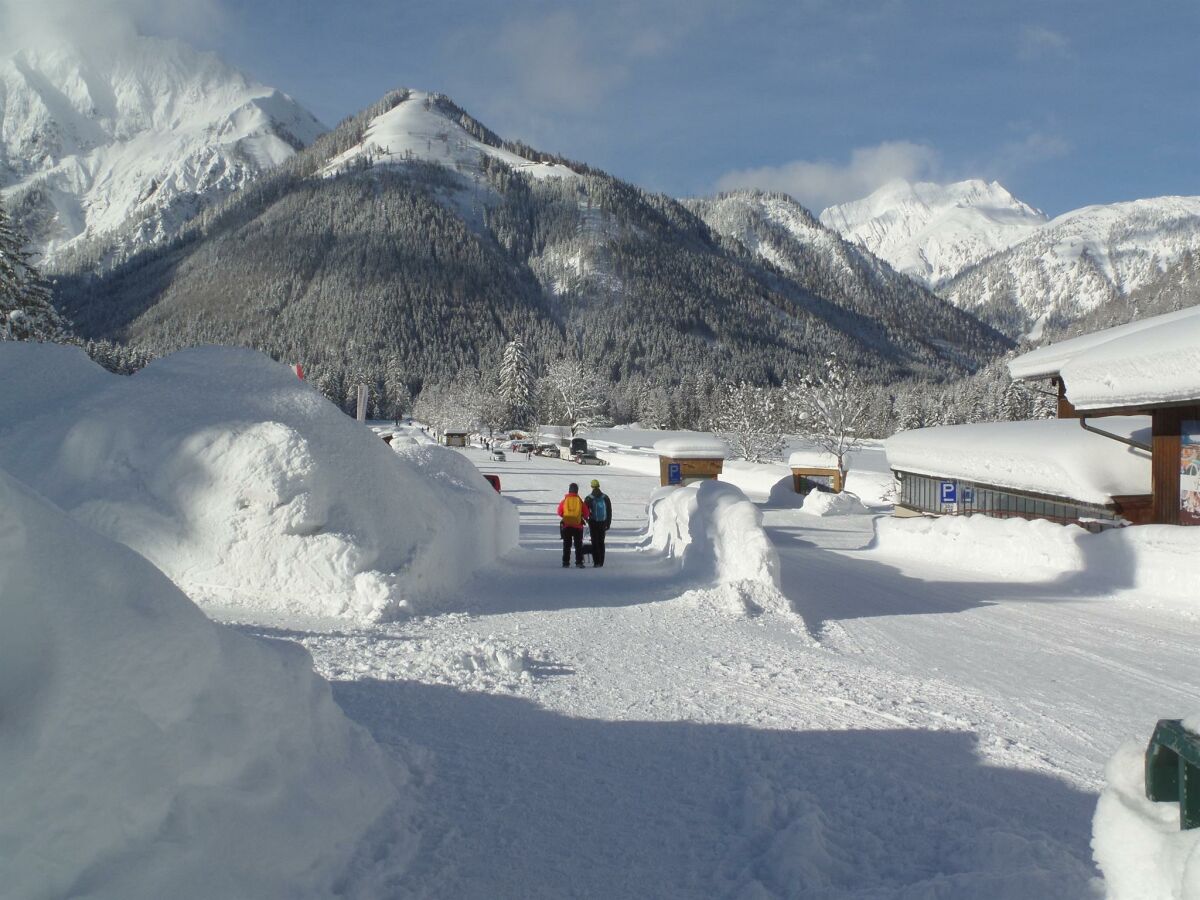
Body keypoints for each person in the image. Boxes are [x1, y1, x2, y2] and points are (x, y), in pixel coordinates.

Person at [557, 482, 589, 568]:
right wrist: (580, 516)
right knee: (578, 545)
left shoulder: (565, 500)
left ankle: (565, 562)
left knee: (567, 545)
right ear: (577, 491)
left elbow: (559, 512)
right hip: (578, 526)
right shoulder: (579, 501)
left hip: (567, 525)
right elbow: (586, 513)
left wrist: (567, 516)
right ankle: (579, 562)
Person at [583, 478, 612, 567]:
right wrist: (608, 523)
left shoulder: (589, 498)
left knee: (595, 541)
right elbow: (609, 511)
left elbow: (584, 511)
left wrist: (587, 520)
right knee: (601, 541)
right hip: (603, 522)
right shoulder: (605, 497)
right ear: (599, 486)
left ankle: (596, 562)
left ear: (592, 486)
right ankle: (601, 562)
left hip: (593, 522)